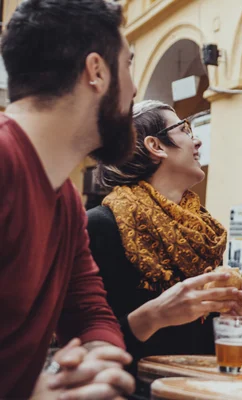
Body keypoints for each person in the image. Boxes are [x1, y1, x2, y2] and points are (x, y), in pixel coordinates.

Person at [0, 0, 138, 399]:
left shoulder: (65, 200)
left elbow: (88, 311)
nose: (133, 87)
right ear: (96, 71)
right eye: (128, 65)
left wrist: (97, 363)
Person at [87, 100, 242, 377]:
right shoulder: (101, 225)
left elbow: (199, 344)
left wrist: (233, 321)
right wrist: (154, 316)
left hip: (195, 389)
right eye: (185, 129)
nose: (198, 141)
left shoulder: (202, 233)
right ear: (156, 146)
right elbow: (84, 345)